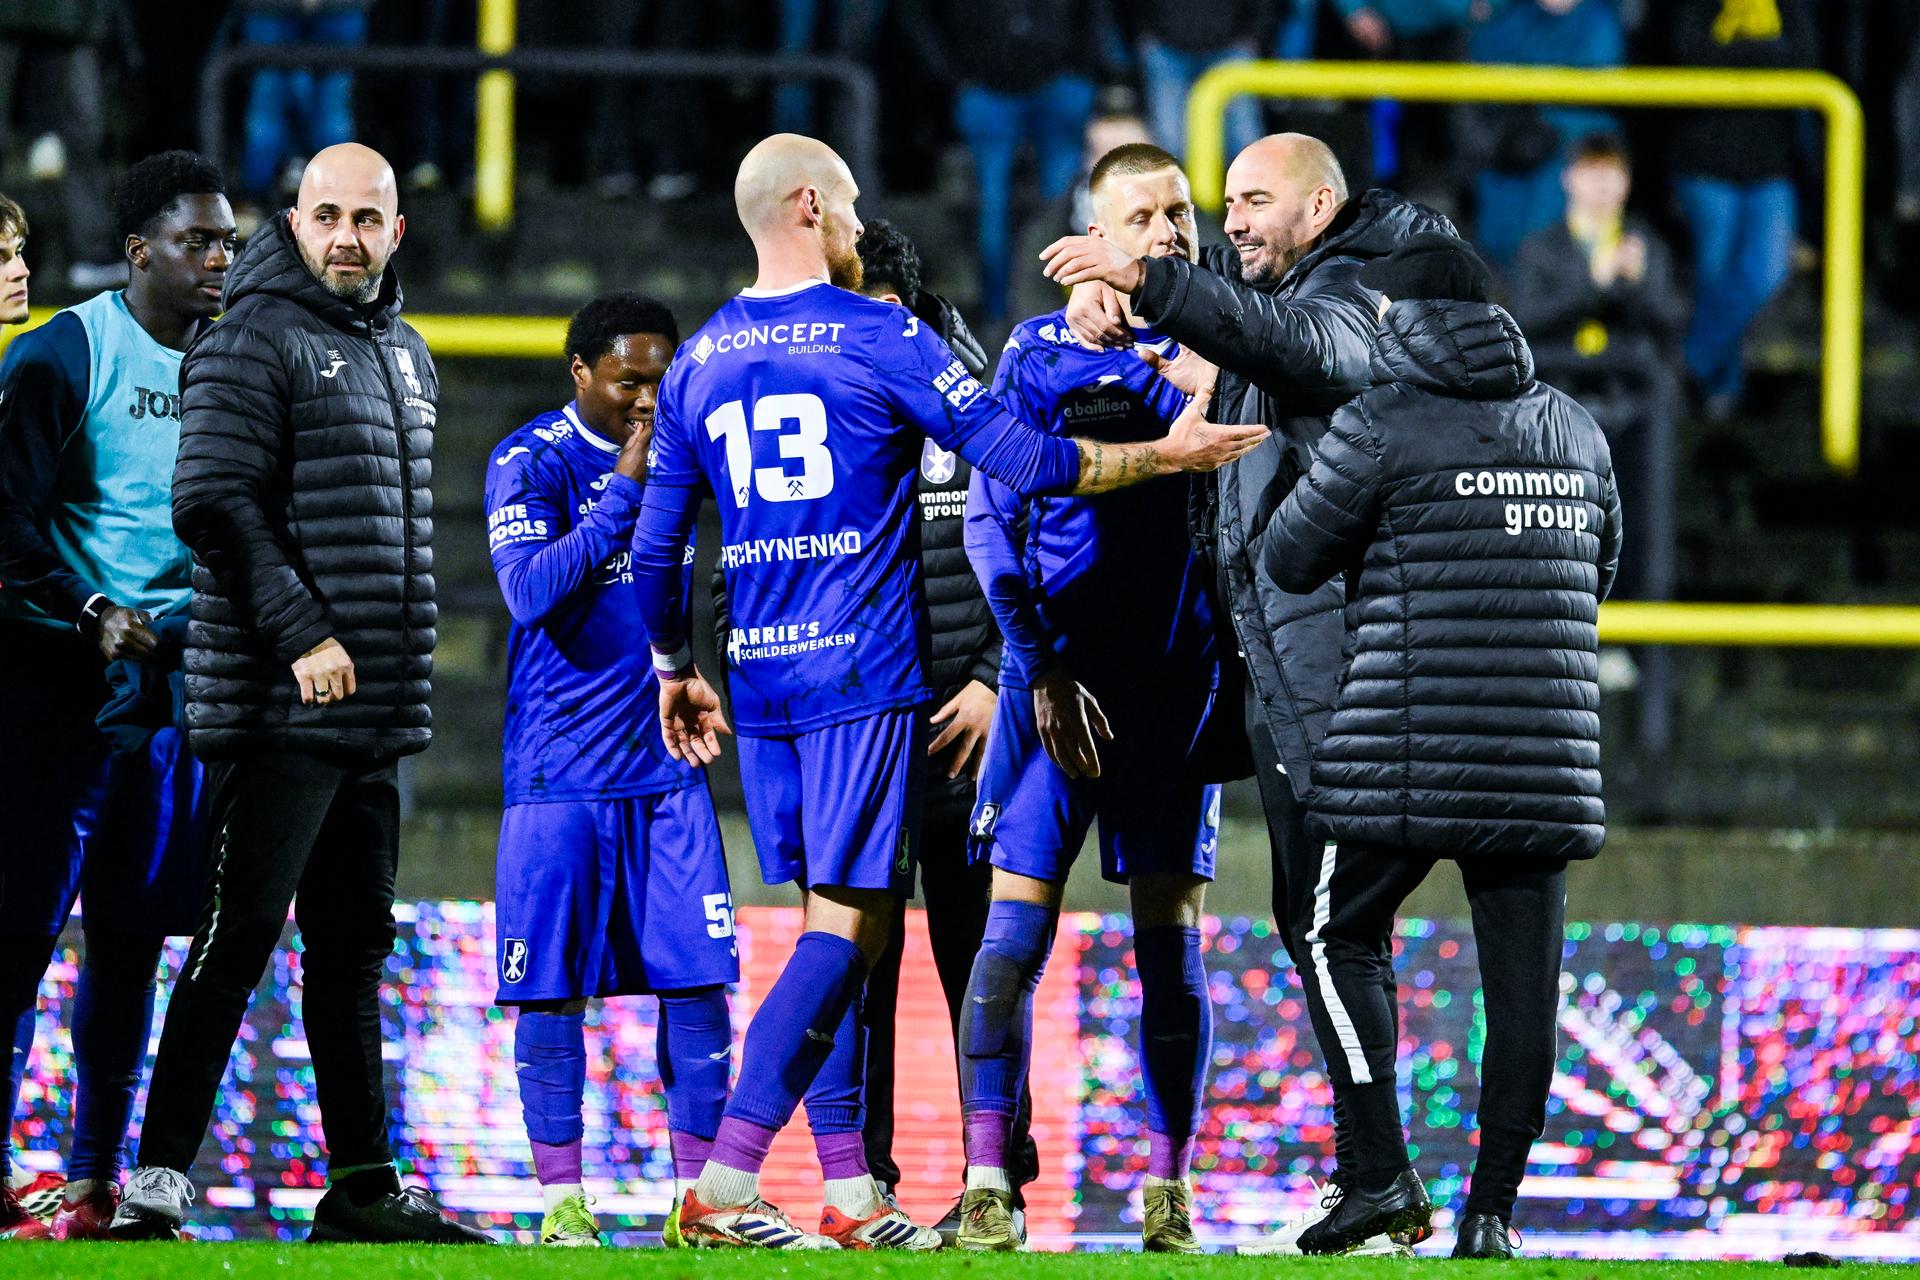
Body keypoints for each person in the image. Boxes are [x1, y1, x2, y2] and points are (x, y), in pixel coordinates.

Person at [627, 132, 1266, 1250]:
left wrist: (674, 667)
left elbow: (655, 551)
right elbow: (1011, 458)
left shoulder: (698, 357)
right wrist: (1162, 459)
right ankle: (722, 1180)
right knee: (851, 935)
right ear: (813, 207)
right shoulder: (884, 331)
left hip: (762, 675)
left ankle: (852, 1193)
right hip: (863, 673)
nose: (868, 223)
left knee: (837, 928)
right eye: (857, 203)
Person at [1042, 132, 1450, 1254]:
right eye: (1205, 208)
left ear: (1323, 204)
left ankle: (1389, 1173)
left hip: (1327, 675)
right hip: (1266, 673)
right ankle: (1378, 1172)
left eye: (1239, 202)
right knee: (1320, 923)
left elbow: (1280, 351)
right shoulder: (1240, 321)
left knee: (1330, 924)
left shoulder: (1333, 298)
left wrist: (1157, 297)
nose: (1219, 224)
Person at [110, 143, 487, 1246]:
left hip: (370, 714)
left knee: (353, 949)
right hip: (279, 704)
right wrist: (304, 630)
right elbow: (214, 504)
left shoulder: (406, 352)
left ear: (397, 231)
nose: (347, 237)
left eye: (368, 219)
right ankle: (157, 1180)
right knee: (237, 940)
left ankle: (363, 1183)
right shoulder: (251, 337)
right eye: (327, 215)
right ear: (295, 220)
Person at [1256, 232, 1621, 1258]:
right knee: (1523, 990)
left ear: (1405, 319)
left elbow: (1288, 558)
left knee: (1333, 932)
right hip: (1542, 755)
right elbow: (1602, 568)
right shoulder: (1578, 429)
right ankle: (1491, 1212)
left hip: (1403, 747)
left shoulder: (1378, 422)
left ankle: (1380, 1174)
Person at [955, 142, 1221, 1254]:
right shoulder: (1028, 354)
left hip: (1173, 688)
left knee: (1170, 937)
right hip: (1053, 680)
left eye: (1179, 211)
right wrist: (1039, 664)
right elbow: (988, 522)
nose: (1168, 230)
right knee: (1013, 935)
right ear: (1093, 237)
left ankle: (1169, 1190)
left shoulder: (1224, 344)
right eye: (1142, 215)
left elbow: (1222, 435)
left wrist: (1159, 351)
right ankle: (984, 1181)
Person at [0, 154, 234, 1242]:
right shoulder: (64, 354)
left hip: (170, 694)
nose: (218, 259)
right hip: (55, 687)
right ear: (141, 251)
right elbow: (6, 522)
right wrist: (89, 607)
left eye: (229, 242)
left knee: (135, 940)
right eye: (197, 242)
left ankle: (95, 1182)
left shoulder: (235, 366)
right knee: (17, 935)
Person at [486, 294, 738, 1249]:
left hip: (665, 769)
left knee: (699, 982)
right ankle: (562, 1205)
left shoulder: (692, 453)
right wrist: (627, 488)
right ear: (580, 373)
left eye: (661, 381)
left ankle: (699, 1204)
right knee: (549, 990)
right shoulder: (532, 460)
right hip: (558, 778)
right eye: (629, 380)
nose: (647, 398)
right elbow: (528, 589)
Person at [835, 220, 1045, 1241]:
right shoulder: (809, 402)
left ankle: (990, 1176)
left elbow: (1051, 545)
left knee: (983, 958)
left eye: (858, 306)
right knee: (857, 960)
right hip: (857, 740)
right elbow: (741, 576)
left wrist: (998, 678)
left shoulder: (980, 401)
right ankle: (863, 1181)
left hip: (969, 738)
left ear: (901, 307)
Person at [1509, 132, 1685, 602]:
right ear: (1570, 179)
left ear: (1626, 183)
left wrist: (1641, 283)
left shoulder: (1645, 246)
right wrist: (1595, 284)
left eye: (1613, 175)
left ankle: (1636, 646)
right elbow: (1525, 322)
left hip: (1633, 407)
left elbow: (1673, 320)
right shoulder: (1541, 247)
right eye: (1593, 174)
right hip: (1558, 410)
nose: (1603, 187)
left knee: (1637, 529)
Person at [901, 0, 1108, 322]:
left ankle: (1066, 310)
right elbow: (918, 15)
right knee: (993, 208)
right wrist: (952, 75)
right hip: (987, 86)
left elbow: (1095, 12)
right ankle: (1001, 315)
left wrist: (1083, 68)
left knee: (1064, 205)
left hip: (1059, 83)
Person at [1666, 0, 1813, 420]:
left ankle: (1686, 365)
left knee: (1767, 274)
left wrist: (1735, 58)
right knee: (1715, 279)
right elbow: (1689, 54)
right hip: (1705, 163)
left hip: (1771, 165)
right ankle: (1720, 396)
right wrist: (1767, 55)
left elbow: (1805, 56)